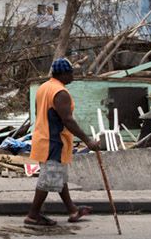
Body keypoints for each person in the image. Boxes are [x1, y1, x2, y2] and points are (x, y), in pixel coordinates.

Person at [24, 57, 100, 226]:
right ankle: (33, 215)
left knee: (58, 176)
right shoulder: (61, 93)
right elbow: (68, 120)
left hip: (43, 137)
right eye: (71, 73)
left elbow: (39, 113)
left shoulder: (44, 87)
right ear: (64, 74)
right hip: (54, 142)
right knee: (49, 178)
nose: (73, 76)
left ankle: (72, 210)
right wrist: (88, 141)